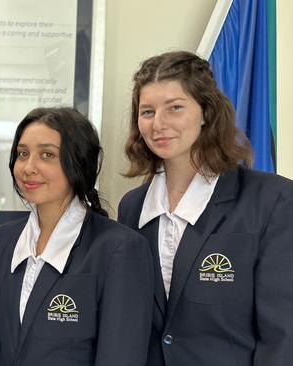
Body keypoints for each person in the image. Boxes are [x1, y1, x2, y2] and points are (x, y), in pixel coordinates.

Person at [117, 50, 293, 366]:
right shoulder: (132, 209)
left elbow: (283, 334)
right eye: (147, 112)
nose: (159, 124)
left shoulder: (271, 199)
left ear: (206, 113)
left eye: (175, 108)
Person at [0, 107, 153, 366]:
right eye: (22, 154)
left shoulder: (119, 248)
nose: (28, 167)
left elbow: (120, 356)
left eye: (47, 155)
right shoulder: (5, 239)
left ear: (77, 162)